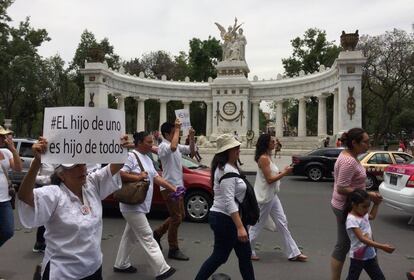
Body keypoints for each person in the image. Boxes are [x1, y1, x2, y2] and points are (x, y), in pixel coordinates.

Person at [17, 135, 128, 279]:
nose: (82, 169)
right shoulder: (55, 194)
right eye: (75, 166)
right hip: (64, 273)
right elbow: (25, 196)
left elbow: (115, 166)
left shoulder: (92, 184)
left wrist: (120, 147)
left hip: (94, 268)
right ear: (61, 175)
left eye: (83, 164)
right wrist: (37, 163)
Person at [113, 131, 177, 279]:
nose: (152, 145)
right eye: (149, 142)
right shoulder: (131, 156)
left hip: (140, 205)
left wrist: (173, 188)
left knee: (129, 237)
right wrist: (137, 176)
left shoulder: (147, 158)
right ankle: (162, 269)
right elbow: (120, 173)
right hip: (132, 206)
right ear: (140, 142)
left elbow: (156, 177)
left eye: (152, 142)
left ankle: (121, 264)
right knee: (148, 237)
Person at [195, 133, 255, 280]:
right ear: (226, 151)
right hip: (226, 219)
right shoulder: (226, 170)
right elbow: (229, 201)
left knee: (244, 256)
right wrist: (240, 227)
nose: (238, 150)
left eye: (238, 147)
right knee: (220, 256)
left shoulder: (229, 167)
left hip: (229, 218)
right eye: (235, 148)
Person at [330, 128, 383, 280]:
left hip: (351, 204)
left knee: (354, 243)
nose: (368, 144)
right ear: (354, 143)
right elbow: (341, 187)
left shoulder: (351, 156)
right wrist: (368, 194)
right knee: (347, 245)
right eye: (365, 142)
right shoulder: (348, 161)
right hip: (346, 207)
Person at [249, 134, 307, 262]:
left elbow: (272, 175)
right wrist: (285, 174)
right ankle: (247, 249)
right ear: (266, 144)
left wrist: (282, 171)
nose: (274, 143)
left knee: (282, 222)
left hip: (272, 195)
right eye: (272, 141)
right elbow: (269, 179)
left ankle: (293, 252)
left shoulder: (268, 157)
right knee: (257, 225)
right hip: (264, 197)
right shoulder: (263, 158)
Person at [153, 120, 195, 261]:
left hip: (178, 186)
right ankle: (173, 248)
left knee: (179, 215)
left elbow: (191, 151)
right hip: (169, 187)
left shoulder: (175, 146)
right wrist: (177, 128)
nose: (177, 133)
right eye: (173, 132)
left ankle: (158, 233)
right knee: (177, 217)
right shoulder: (164, 147)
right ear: (166, 134)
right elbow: (173, 147)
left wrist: (192, 137)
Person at [344, 189, 395, 280]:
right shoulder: (351, 219)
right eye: (364, 207)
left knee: (379, 278)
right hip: (358, 258)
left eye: (368, 206)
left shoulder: (362, 214)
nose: (367, 209)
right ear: (354, 205)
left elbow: (372, 216)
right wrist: (382, 246)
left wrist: (376, 204)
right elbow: (362, 239)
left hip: (370, 255)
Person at [0, 126, 22, 248]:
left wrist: (13, 149)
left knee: (8, 231)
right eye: (1, 136)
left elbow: (18, 168)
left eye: (5, 136)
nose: (4, 139)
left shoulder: (7, 152)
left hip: (4, 200)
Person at [32, 163, 56, 253]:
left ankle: (54, 243)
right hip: (44, 191)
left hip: (58, 190)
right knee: (45, 218)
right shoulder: (40, 159)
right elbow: (34, 177)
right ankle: (40, 243)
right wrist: (50, 179)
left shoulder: (61, 158)